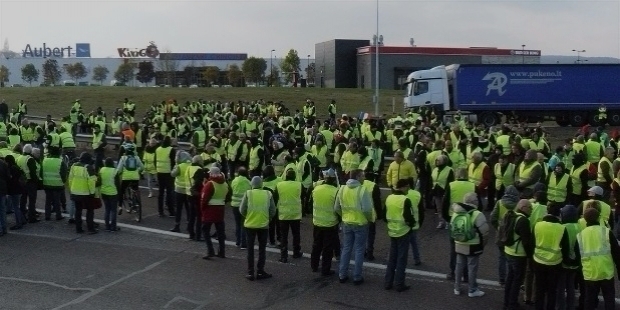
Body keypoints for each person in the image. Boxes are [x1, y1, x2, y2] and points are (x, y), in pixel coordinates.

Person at [575, 207, 620, 310]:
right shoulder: (606, 232)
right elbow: (617, 253)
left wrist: (579, 273)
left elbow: (578, 256)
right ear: (598, 218)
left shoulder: (580, 235)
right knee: (609, 300)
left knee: (589, 300)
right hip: (606, 271)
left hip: (589, 273)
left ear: (585, 219)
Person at [335, 169, 373, 285]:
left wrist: (344, 216)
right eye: (362, 176)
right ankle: (357, 276)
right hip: (360, 223)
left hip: (347, 222)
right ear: (357, 177)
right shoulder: (362, 190)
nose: (364, 178)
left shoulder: (342, 189)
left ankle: (342, 274)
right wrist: (369, 219)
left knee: (346, 248)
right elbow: (367, 209)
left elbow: (336, 208)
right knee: (359, 250)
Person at [532, 203, 572, 310]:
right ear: (559, 214)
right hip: (554, 263)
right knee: (552, 291)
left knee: (539, 289)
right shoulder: (561, 228)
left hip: (538, 261)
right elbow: (565, 248)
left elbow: (532, 242)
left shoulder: (538, 225)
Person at [451, 192, 489, 297]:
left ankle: (457, 288)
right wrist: (483, 244)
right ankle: (472, 289)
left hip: (459, 242)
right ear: (473, 202)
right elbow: (484, 231)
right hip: (473, 244)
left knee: (459, 265)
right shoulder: (477, 214)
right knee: (472, 266)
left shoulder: (456, 212)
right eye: (476, 199)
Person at [239, 176, 276, 281]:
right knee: (262, 249)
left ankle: (250, 272)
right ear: (261, 184)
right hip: (263, 225)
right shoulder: (268, 194)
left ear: (252, 184)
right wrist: (268, 218)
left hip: (250, 225)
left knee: (250, 249)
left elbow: (242, 209)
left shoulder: (248, 193)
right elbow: (273, 210)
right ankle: (260, 271)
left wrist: (248, 216)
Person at [384, 179, 416, 292]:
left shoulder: (389, 198)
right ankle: (399, 284)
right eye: (407, 186)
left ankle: (388, 282)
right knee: (401, 259)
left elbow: (384, 215)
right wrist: (412, 224)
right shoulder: (405, 200)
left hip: (392, 231)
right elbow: (408, 217)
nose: (408, 189)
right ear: (403, 187)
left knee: (392, 258)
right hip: (403, 231)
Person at [503, 199, 534, 310]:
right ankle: (512, 303)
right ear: (524, 207)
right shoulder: (523, 220)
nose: (531, 210)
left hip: (508, 251)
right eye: (530, 208)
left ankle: (506, 302)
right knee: (517, 280)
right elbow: (526, 242)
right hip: (518, 254)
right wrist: (530, 256)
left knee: (510, 278)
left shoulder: (510, 215)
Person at [309, 168, 340, 276]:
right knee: (327, 249)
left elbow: (310, 204)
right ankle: (325, 270)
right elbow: (338, 209)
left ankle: (314, 266)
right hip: (330, 224)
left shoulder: (317, 189)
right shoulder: (336, 191)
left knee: (316, 245)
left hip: (317, 222)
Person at [490, 185, 520, 287]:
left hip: (501, 235)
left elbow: (492, 218)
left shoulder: (499, 203)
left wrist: (498, 228)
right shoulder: (518, 204)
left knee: (501, 257)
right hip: (513, 236)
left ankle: (501, 279)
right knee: (513, 259)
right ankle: (511, 279)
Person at [201, 166, 231, 259]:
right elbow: (228, 197)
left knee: (205, 231)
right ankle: (222, 252)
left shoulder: (210, 184)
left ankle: (210, 251)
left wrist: (202, 209)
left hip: (209, 210)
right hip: (220, 210)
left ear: (212, 174)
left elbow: (204, 199)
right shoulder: (225, 184)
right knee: (220, 232)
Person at [274, 169, 304, 263]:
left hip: (283, 215)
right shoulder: (299, 185)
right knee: (296, 235)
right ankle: (296, 252)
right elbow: (303, 197)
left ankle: (284, 256)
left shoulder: (279, 185)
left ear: (286, 176)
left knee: (284, 236)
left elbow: (275, 198)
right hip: (295, 214)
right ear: (294, 176)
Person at [556, 205, 581, 310]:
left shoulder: (563, 227)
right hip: (576, 263)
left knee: (560, 287)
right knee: (571, 286)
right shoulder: (581, 227)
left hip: (564, 262)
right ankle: (571, 306)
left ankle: (561, 307)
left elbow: (561, 246)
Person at [68, 152, 97, 234]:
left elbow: (70, 179)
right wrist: (92, 192)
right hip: (86, 193)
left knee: (78, 211)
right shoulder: (88, 167)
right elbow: (91, 182)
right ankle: (90, 228)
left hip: (75, 192)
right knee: (90, 210)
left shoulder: (74, 166)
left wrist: (71, 189)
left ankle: (78, 228)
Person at [116, 145, 144, 214]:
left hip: (126, 178)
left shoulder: (123, 158)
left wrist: (118, 174)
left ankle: (120, 206)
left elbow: (119, 170)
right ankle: (136, 203)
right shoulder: (136, 158)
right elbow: (142, 167)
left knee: (121, 191)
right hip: (135, 177)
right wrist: (138, 171)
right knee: (135, 189)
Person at [41, 147, 67, 221]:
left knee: (48, 201)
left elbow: (41, 172)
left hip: (47, 183)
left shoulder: (45, 160)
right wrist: (62, 182)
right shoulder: (60, 161)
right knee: (57, 201)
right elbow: (64, 174)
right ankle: (58, 216)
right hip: (57, 184)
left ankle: (47, 215)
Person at [154, 136, 176, 217]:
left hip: (160, 172)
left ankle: (160, 211)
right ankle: (171, 211)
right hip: (168, 173)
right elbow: (173, 162)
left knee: (161, 193)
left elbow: (154, 161)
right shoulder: (171, 149)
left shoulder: (158, 149)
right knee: (169, 192)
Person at [171, 151, 192, 233]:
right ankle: (189, 225)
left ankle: (177, 225)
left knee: (179, 209)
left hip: (179, 190)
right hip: (188, 190)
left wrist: (175, 165)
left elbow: (173, 174)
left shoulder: (179, 166)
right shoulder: (190, 166)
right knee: (188, 209)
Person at [230, 167, 252, 249]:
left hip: (234, 204)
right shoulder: (248, 182)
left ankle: (237, 241)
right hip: (244, 206)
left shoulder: (234, 181)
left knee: (237, 224)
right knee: (243, 224)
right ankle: (243, 243)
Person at [186, 155, 206, 241]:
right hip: (196, 194)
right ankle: (198, 235)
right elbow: (199, 182)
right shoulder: (199, 169)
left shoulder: (188, 168)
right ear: (199, 161)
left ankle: (191, 233)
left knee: (192, 215)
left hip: (188, 193)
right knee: (199, 216)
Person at [99, 157, 119, 232]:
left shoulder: (102, 170)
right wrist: (120, 194)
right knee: (113, 210)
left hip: (104, 192)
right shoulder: (114, 171)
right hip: (113, 192)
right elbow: (117, 184)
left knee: (107, 209)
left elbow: (100, 181)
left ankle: (107, 226)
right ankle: (113, 227)